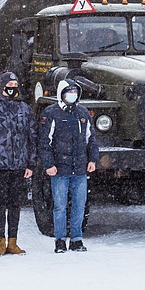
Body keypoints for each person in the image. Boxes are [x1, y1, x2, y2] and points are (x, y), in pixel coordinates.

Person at [38, 79, 99, 253]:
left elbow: (91, 139)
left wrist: (92, 160)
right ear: (61, 94)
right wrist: (48, 164)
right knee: (60, 206)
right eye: (68, 92)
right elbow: (44, 142)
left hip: (80, 168)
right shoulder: (51, 113)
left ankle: (76, 239)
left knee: (79, 205)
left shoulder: (83, 113)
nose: (71, 96)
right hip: (60, 169)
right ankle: (59, 240)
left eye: (74, 92)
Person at [0, 71, 36, 257]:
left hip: (19, 166)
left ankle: (13, 242)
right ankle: (0, 242)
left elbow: (32, 138)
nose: (13, 88)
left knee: (15, 204)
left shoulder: (25, 109)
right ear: (2, 86)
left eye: (15, 85)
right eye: (10, 85)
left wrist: (31, 164)